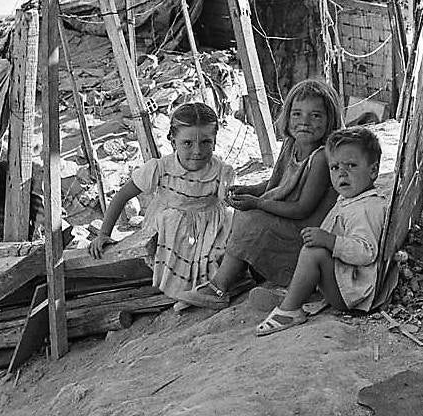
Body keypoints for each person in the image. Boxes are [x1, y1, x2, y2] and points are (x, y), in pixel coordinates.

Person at [178, 79, 343, 310]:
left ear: (330, 120)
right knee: (241, 215)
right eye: (297, 114)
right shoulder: (291, 145)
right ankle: (237, 272)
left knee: (252, 219)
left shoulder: (321, 158)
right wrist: (251, 190)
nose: (304, 122)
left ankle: (219, 287)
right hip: (290, 219)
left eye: (315, 116)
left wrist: (257, 202)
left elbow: (302, 208)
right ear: (287, 116)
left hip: (306, 232)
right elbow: (279, 184)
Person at [88, 102, 234, 300]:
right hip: (169, 230)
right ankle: (180, 288)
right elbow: (122, 196)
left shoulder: (221, 171)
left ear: (215, 141)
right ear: (173, 142)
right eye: (187, 143)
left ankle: (206, 288)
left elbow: (228, 203)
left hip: (208, 227)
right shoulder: (161, 168)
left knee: (221, 254)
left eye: (206, 142)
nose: (197, 151)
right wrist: (104, 233)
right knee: (170, 234)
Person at [255, 126, 387, 335]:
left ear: (373, 170)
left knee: (313, 252)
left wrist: (329, 241)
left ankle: (290, 310)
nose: (342, 173)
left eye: (351, 165)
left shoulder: (367, 208)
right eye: (334, 167)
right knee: (312, 245)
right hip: (345, 281)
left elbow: (366, 251)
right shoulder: (350, 200)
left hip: (354, 292)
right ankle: (296, 294)